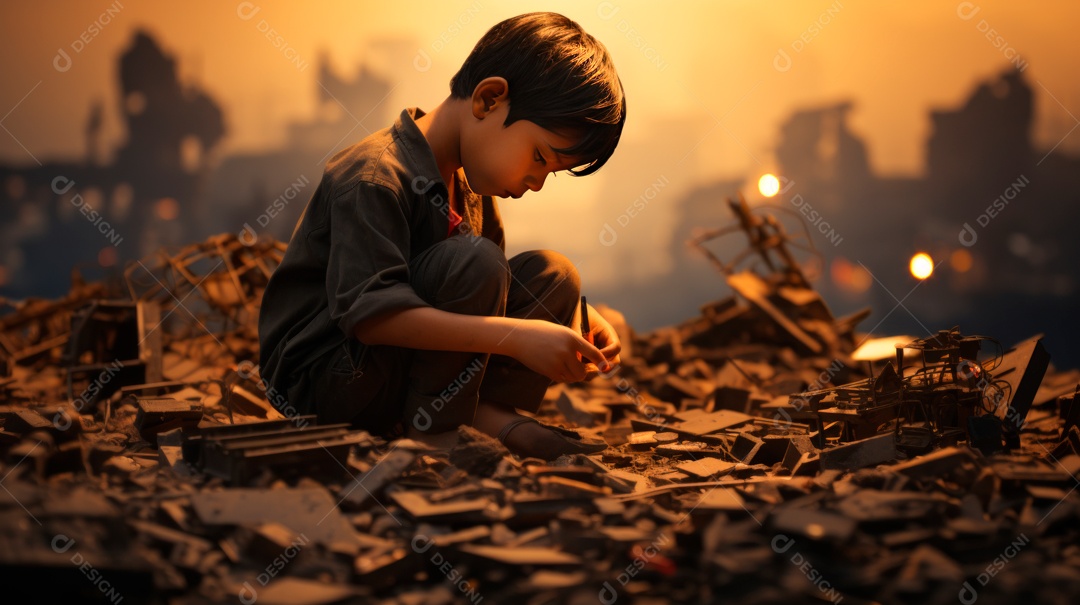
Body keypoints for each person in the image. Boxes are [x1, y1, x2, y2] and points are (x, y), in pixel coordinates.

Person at [257, 12, 626, 460]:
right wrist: (517, 336)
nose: (537, 182)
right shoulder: (373, 176)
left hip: (394, 373)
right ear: (489, 99)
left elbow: (485, 298)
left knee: (555, 274)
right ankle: (437, 431)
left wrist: (570, 324)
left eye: (552, 172)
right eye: (539, 157)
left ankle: (484, 413)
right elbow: (371, 319)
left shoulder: (469, 186)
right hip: (329, 381)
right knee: (476, 260)